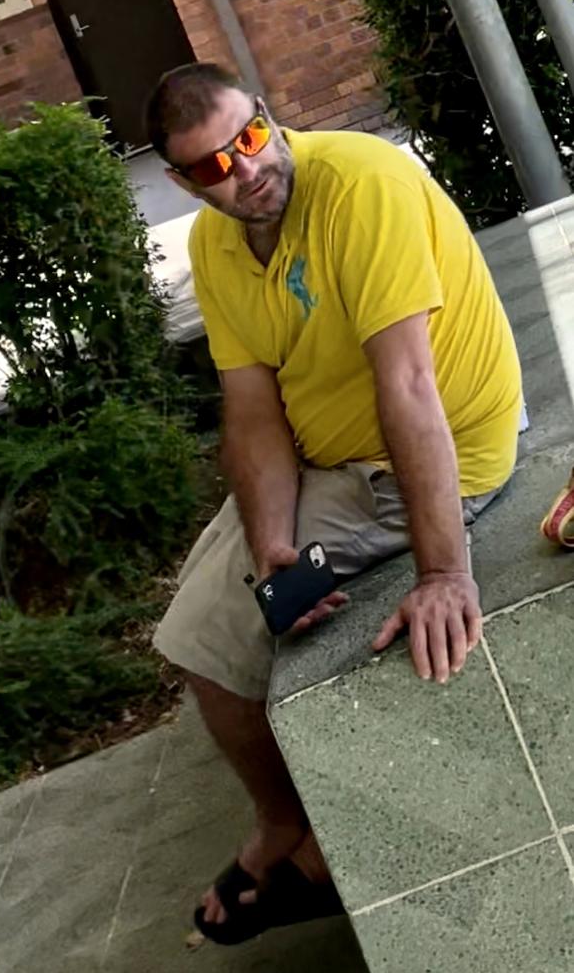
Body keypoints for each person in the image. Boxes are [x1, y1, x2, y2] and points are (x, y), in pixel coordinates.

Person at [146, 63, 522, 945]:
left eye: (249, 138)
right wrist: (275, 542)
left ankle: (317, 860)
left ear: (269, 117)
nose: (244, 170)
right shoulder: (217, 244)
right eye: (211, 167)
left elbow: (409, 384)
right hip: (330, 465)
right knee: (195, 635)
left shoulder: (364, 183)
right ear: (181, 183)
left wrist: (442, 572)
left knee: (227, 633)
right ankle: (285, 818)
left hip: (431, 456)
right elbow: (251, 412)